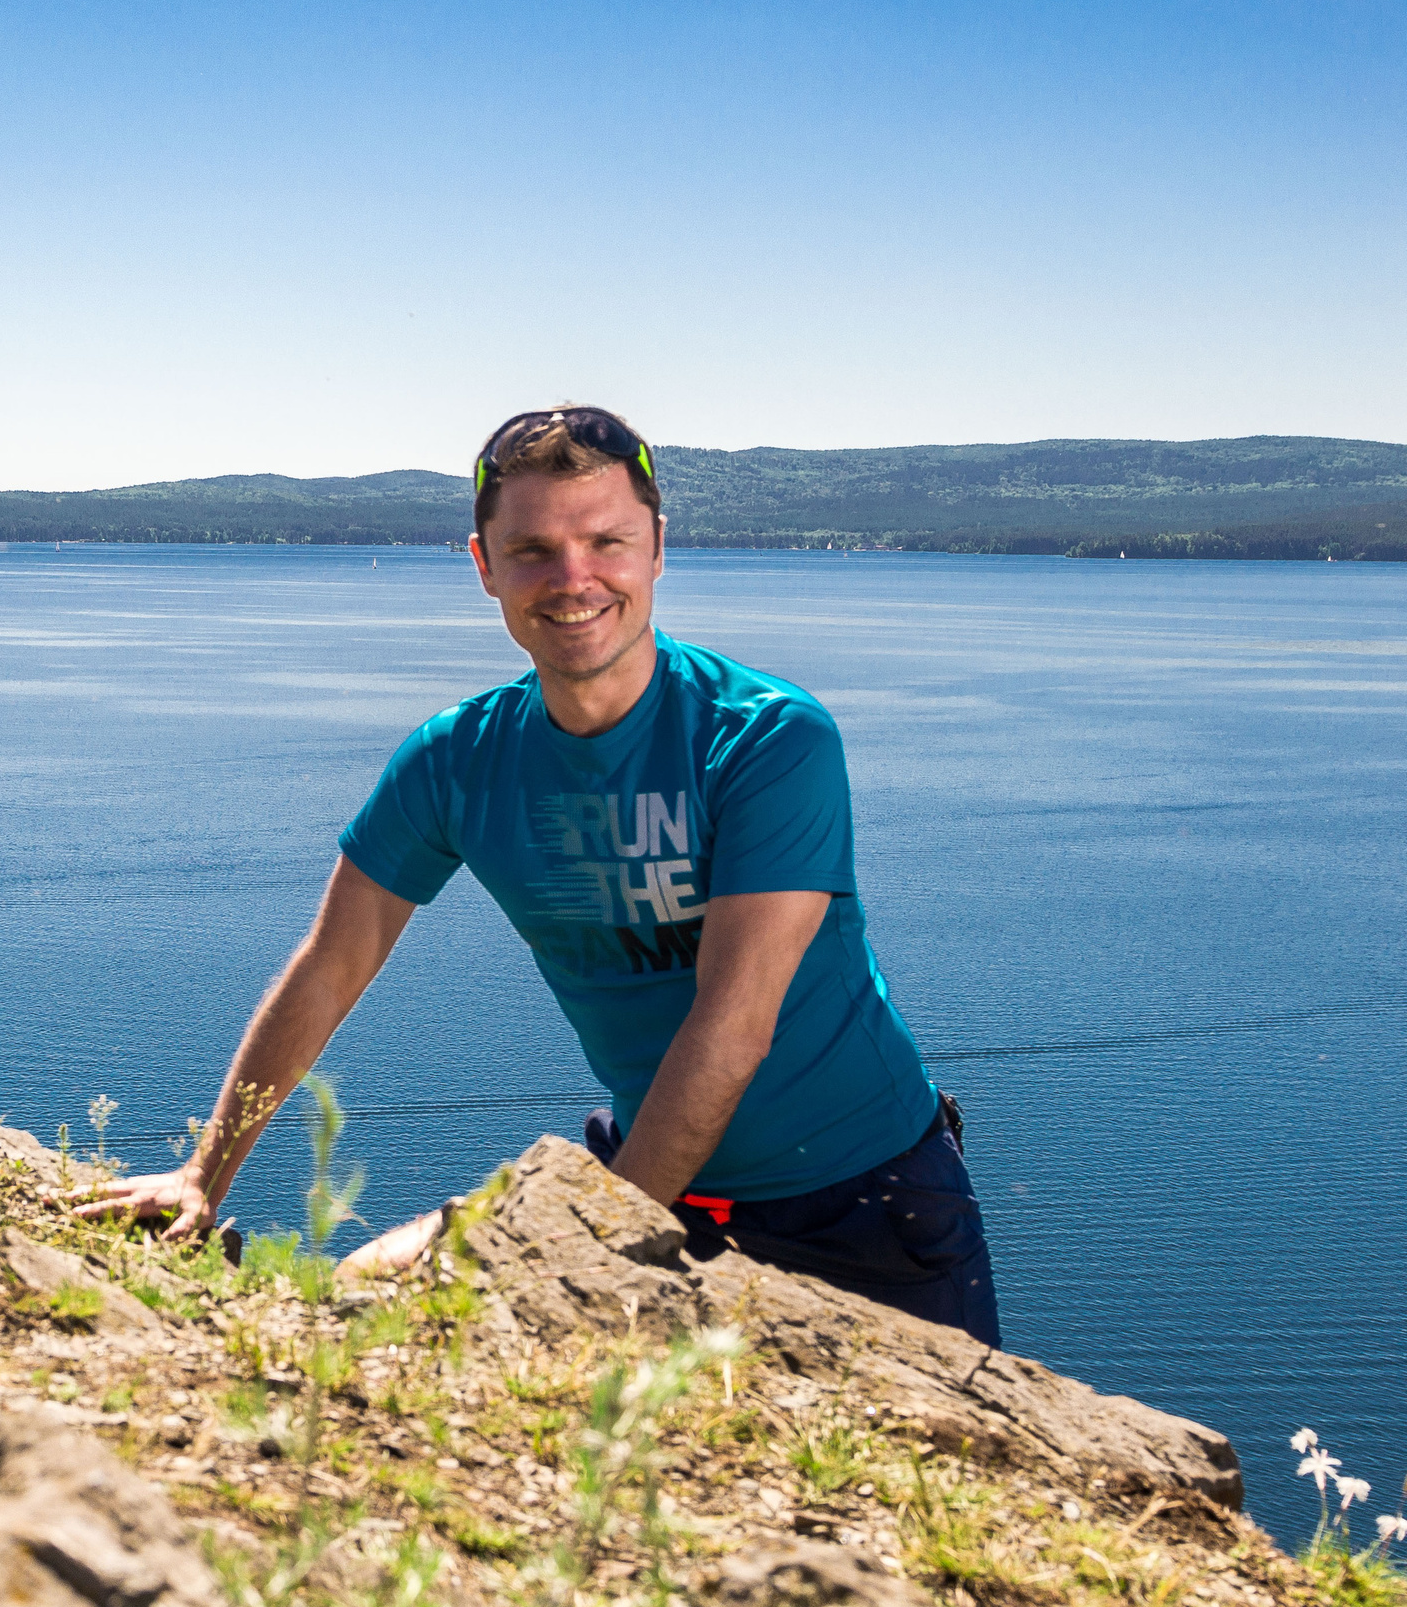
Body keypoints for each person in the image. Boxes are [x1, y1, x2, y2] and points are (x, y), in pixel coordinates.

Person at [74, 405, 1000, 1346]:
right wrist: (204, 1174)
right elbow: (330, 965)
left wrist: (591, 1242)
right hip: (647, 1174)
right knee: (370, 1289)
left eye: (607, 541)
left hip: (863, 1207)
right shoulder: (458, 759)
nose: (573, 579)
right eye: (532, 551)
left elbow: (734, 1025)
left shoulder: (764, 738)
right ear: (482, 565)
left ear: (657, 551)